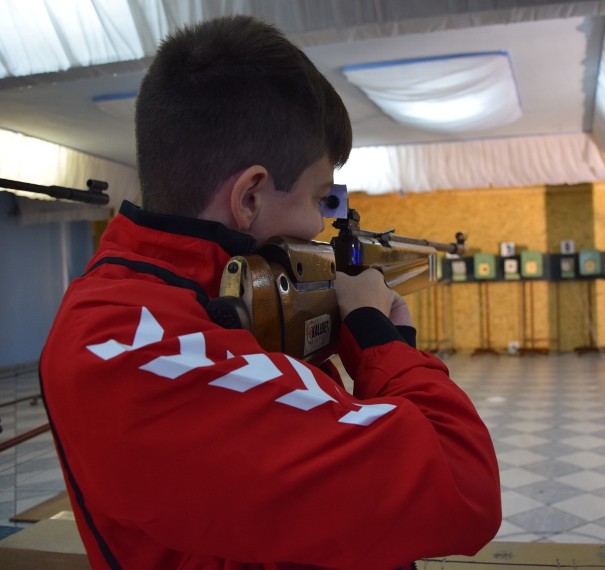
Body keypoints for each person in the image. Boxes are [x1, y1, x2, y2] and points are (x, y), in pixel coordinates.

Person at [40, 14, 501, 570]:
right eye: (318, 198)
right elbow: (462, 484)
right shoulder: (126, 344)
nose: (318, 227)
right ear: (251, 196)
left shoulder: (199, 298)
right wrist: (382, 340)